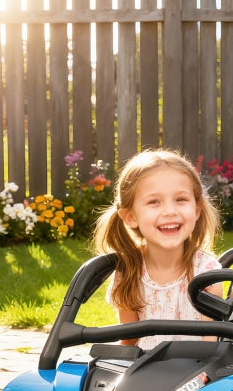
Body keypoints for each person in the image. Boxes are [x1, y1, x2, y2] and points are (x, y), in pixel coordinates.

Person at [93, 149, 223, 350]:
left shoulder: (206, 272)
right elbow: (129, 341)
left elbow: (210, 345)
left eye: (181, 199)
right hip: (143, 366)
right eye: (154, 202)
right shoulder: (128, 270)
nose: (170, 211)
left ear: (197, 210)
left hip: (195, 367)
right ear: (130, 217)